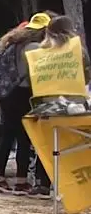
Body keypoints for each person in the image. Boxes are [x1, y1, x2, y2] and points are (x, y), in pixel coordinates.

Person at [28, 15, 91, 199]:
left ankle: (42, 183)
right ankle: (76, 187)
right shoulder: (78, 50)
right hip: (74, 106)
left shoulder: (42, 51)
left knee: (48, 144)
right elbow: (86, 75)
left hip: (48, 106)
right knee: (74, 146)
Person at [0, 12, 50, 194]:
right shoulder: (35, 48)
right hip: (24, 95)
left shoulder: (13, 45)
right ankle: (22, 181)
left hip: (8, 94)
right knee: (24, 138)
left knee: (7, 136)